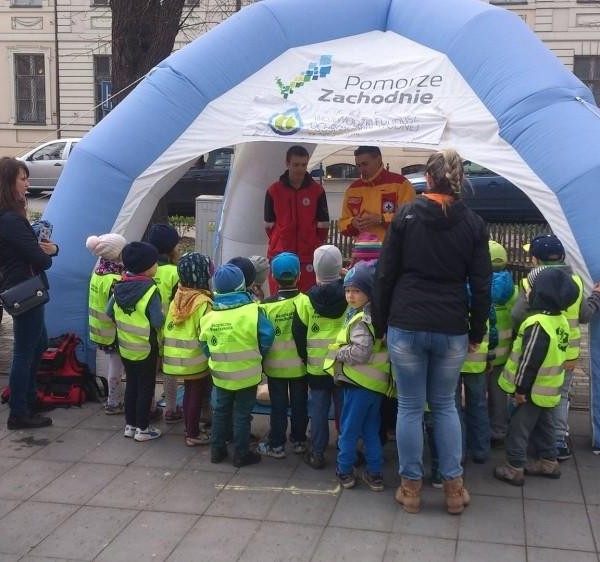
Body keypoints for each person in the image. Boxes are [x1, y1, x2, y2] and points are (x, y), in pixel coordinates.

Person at [373, 149, 491, 515]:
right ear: (458, 179)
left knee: (409, 406)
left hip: (406, 323)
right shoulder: (473, 224)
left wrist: (380, 324)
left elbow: (384, 274)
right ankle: (454, 489)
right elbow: (482, 284)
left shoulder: (406, 217)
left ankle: (410, 489)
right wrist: (476, 330)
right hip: (451, 325)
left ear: (428, 175)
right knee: (444, 405)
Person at [512, 234, 598, 459]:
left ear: (537, 259)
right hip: (566, 353)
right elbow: (585, 316)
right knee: (559, 395)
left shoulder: (531, 280)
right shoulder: (577, 281)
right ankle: (558, 441)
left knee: (529, 394)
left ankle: (529, 441)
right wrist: (595, 297)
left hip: (537, 351)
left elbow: (517, 314)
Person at [495, 266, 579, 485]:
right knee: (546, 425)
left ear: (543, 293)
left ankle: (514, 467)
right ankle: (549, 461)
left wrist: (520, 390)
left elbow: (529, 361)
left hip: (531, 390)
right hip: (549, 388)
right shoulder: (559, 320)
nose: (528, 292)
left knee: (518, 428)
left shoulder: (537, 323)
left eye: (532, 289)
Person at [0, 157, 58, 430]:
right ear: (9, 183)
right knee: (25, 351)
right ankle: (19, 412)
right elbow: (41, 259)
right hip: (25, 290)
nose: (28, 184)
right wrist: (52, 250)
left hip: (20, 286)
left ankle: (29, 398)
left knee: (38, 343)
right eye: (23, 179)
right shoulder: (11, 219)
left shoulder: (9, 216)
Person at [324, 264, 392, 492]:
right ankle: (375, 474)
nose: (350, 296)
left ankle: (344, 471)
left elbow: (361, 352)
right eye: (347, 290)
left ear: (369, 293)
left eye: (356, 291)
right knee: (371, 430)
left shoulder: (362, 320)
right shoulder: (376, 315)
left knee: (349, 430)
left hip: (357, 385)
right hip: (375, 386)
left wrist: (336, 353)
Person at [199, 264, 275, 467]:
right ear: (242, 286)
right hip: (247, 374)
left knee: (222, 411)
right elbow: (267, 335)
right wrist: (259, 354)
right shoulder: (253, 310)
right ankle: (241, 454)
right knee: (242, 414)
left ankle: (217, 450)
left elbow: (204, 345)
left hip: (221, 374)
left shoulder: (209, 316)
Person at [293, 245, 347, 469]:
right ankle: (347, 449)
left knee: (318, 410)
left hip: (316, 367)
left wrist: (305, 358)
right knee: (344, 409)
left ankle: (317, 452)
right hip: (344, 366)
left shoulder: (304, 301)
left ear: (314, 269)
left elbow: (298, 334)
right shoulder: (350, 296)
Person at [107, 241, 164, 442]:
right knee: (146, 387)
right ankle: (143, 428)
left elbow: (108, 312)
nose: (157, 265)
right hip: (146, 348)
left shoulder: (119, 286)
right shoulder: (150, 290)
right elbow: (157, 320)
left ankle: (130, 425)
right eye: (155, 262)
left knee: (131, 384)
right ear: (147, 267)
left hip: (125, 346)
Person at [258, 252, 309, 458]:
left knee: (278, 406)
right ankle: (298, 441)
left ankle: (276, 444)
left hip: (275, 366)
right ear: (298, 276)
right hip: (300, 366)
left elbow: (262, 336)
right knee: (300, 404)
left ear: (273, 277)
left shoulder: (265, 306)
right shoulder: (306, 302)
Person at [162, 253, 213, 446]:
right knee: (194, 394)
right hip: (194, 358)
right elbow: (206, 330)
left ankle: (189, 426)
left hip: (174, 356)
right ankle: (192, 433)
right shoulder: (203, 302)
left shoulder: (179, 295)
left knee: (188, 391)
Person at [264, 145, 330, 293]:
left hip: (308, 256)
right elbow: (269, 225)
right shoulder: (273, 191)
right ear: (287, 164)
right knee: (279, 300)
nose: (300, 169)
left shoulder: (317, 191)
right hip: (281, 256)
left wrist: (312, 242)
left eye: (303, 165)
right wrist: (280, 239)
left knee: (308, 300)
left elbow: (323, 225)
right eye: (296, 165)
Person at [339, 146, 415, 248]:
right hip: (362, 254)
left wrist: (381, 219)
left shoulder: (401, 184)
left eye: (365, 164)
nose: (361, 169)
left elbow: (410, 219)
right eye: (358, 165)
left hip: (392, 252)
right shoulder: (352, 189)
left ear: (378, 159)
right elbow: (342, 224)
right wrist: (352, 223)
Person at [86, 233, 128, 415]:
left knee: (114, 364)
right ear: (117, 254)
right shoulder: (114, 279)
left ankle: (114, 399)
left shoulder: (98, 273)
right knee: (116, 366)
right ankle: (113, 402)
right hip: (112, 330)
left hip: (100, 329)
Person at [148, 223, 182, 424]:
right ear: (171, 247)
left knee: (149, 372)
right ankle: (171, 409)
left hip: (148, 330)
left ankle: (150, 406)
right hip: (170, 330)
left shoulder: (146, 268)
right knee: (169, 371)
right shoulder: (174, 272)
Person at [487, 240, 517, 448]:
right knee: (498, 393)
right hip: (503, 354)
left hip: (478, 355)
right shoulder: (513, 291)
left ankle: (478, 429)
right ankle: (499, 430)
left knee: (476, 395)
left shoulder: (474, 287)